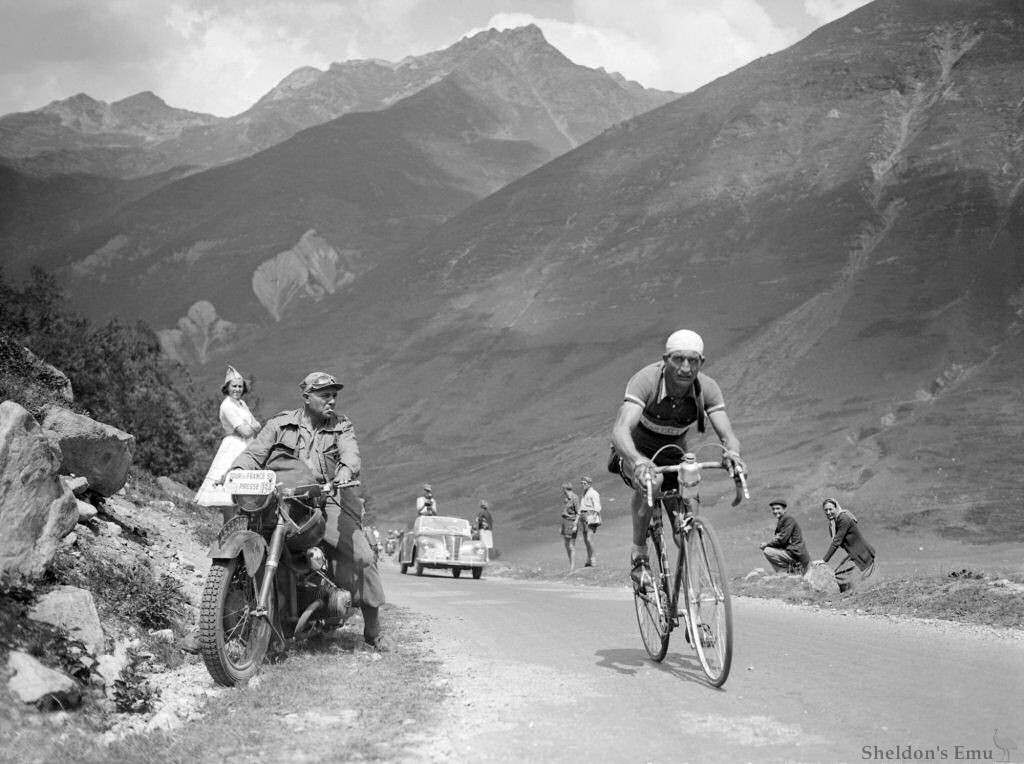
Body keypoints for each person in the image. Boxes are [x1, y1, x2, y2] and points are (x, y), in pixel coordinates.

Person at [229, 371, 390, 651]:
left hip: (325, 499)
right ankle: (214, 623)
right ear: (306, 397)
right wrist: (239, 469)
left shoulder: (341, 425)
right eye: (325, 395)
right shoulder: (280, 425)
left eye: (334, 395)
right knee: (240, 543)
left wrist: (343, 470)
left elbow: (350, 454)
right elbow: (254, 453)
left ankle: (373, 628)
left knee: (362, 556)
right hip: (283, 497)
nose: (332, 401)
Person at [610, 329, 746, 590]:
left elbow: (728, 435)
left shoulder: (707, 388)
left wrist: (733, 455)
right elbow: (620, 430)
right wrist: (638, 462)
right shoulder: (646, 380)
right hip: (634, 451)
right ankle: (639, 553)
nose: (686, 367)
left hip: (673, 453)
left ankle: (694, 601)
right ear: (665, 359)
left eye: (693, 360)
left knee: (685, 524)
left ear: (701, 362)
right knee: (654, 480)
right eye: (678, 359)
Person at [193, 365, 262, 523]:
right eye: (234, 386)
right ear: (227, 388)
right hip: (233, 445)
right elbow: (246, 430)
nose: (237, 389)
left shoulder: (242, 404)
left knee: (244, 489)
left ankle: (239, 529)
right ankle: (228, 527)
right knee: (229, 488)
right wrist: (252, 427)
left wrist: (252, 427)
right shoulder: (227, 405)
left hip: (247, 445)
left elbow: (254, 425)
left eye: (240, 386)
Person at [813, 497, 876, 592]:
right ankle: (849, 592)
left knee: (840, 575)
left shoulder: (843, 519)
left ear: (836, 508)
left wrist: (824, 560)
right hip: (856, 553)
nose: (828, 512)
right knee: (839, 573)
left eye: (831, 509)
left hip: (862, 554)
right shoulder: (836, 521)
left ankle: (851, 594)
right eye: (826, 510)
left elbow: (836, 542)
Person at [759, 500, 810, 574]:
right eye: (773, 509)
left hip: (796, 553)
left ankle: (785, 572)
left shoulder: (788, 519)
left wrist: (766, 545)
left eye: (778, 508)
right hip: (792, 552)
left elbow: (782, 540)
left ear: (784, 509)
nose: (775, 511)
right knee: (771, 549)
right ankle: (789, 570)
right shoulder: (782, 520)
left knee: (767, 551)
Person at [578, 476, 602, 567]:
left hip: (590, 516)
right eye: (582, 484)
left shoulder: (593, 493)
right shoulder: (584, 494)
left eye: (585, 483)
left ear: (589, 483)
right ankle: (589, 558)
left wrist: (595, 516)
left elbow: (597, 506)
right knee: (585, 539)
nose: (583, 485)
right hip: (584, 516)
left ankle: (593, 559)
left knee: (589, 538)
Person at [559, 482, 581, 571]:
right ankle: (570, 564)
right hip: (565, 521)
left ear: (565, 489)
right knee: (566, 544)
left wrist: (575, 524)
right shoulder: (567, 499)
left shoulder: (575, 498)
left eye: (563, 490)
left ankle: (572, 566)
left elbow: (578, 512)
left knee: (571, 545)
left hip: (571, 522)